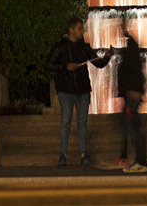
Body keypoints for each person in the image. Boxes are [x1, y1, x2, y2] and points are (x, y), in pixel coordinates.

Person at [46, 17, 113, 167]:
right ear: (71, 30)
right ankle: (63, 155)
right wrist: (65, 67)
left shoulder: (84, 48)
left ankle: (84, 154)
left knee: (82, 123)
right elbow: (49, 64)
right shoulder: (61, 47)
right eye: (79, 28)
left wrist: (107, 56)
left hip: (83, 90)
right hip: (66, 90)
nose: (82, 31)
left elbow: (98, 63)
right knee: (66, 121)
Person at [117, 18, 147, 173]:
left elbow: (134, 69)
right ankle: (135, 159)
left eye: (121, 26)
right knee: (131, 125)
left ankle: (141, 161)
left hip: (132, 95)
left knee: (132, 127)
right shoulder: (131, 46)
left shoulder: (132, 46)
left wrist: (135, 90)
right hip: (131, 94)